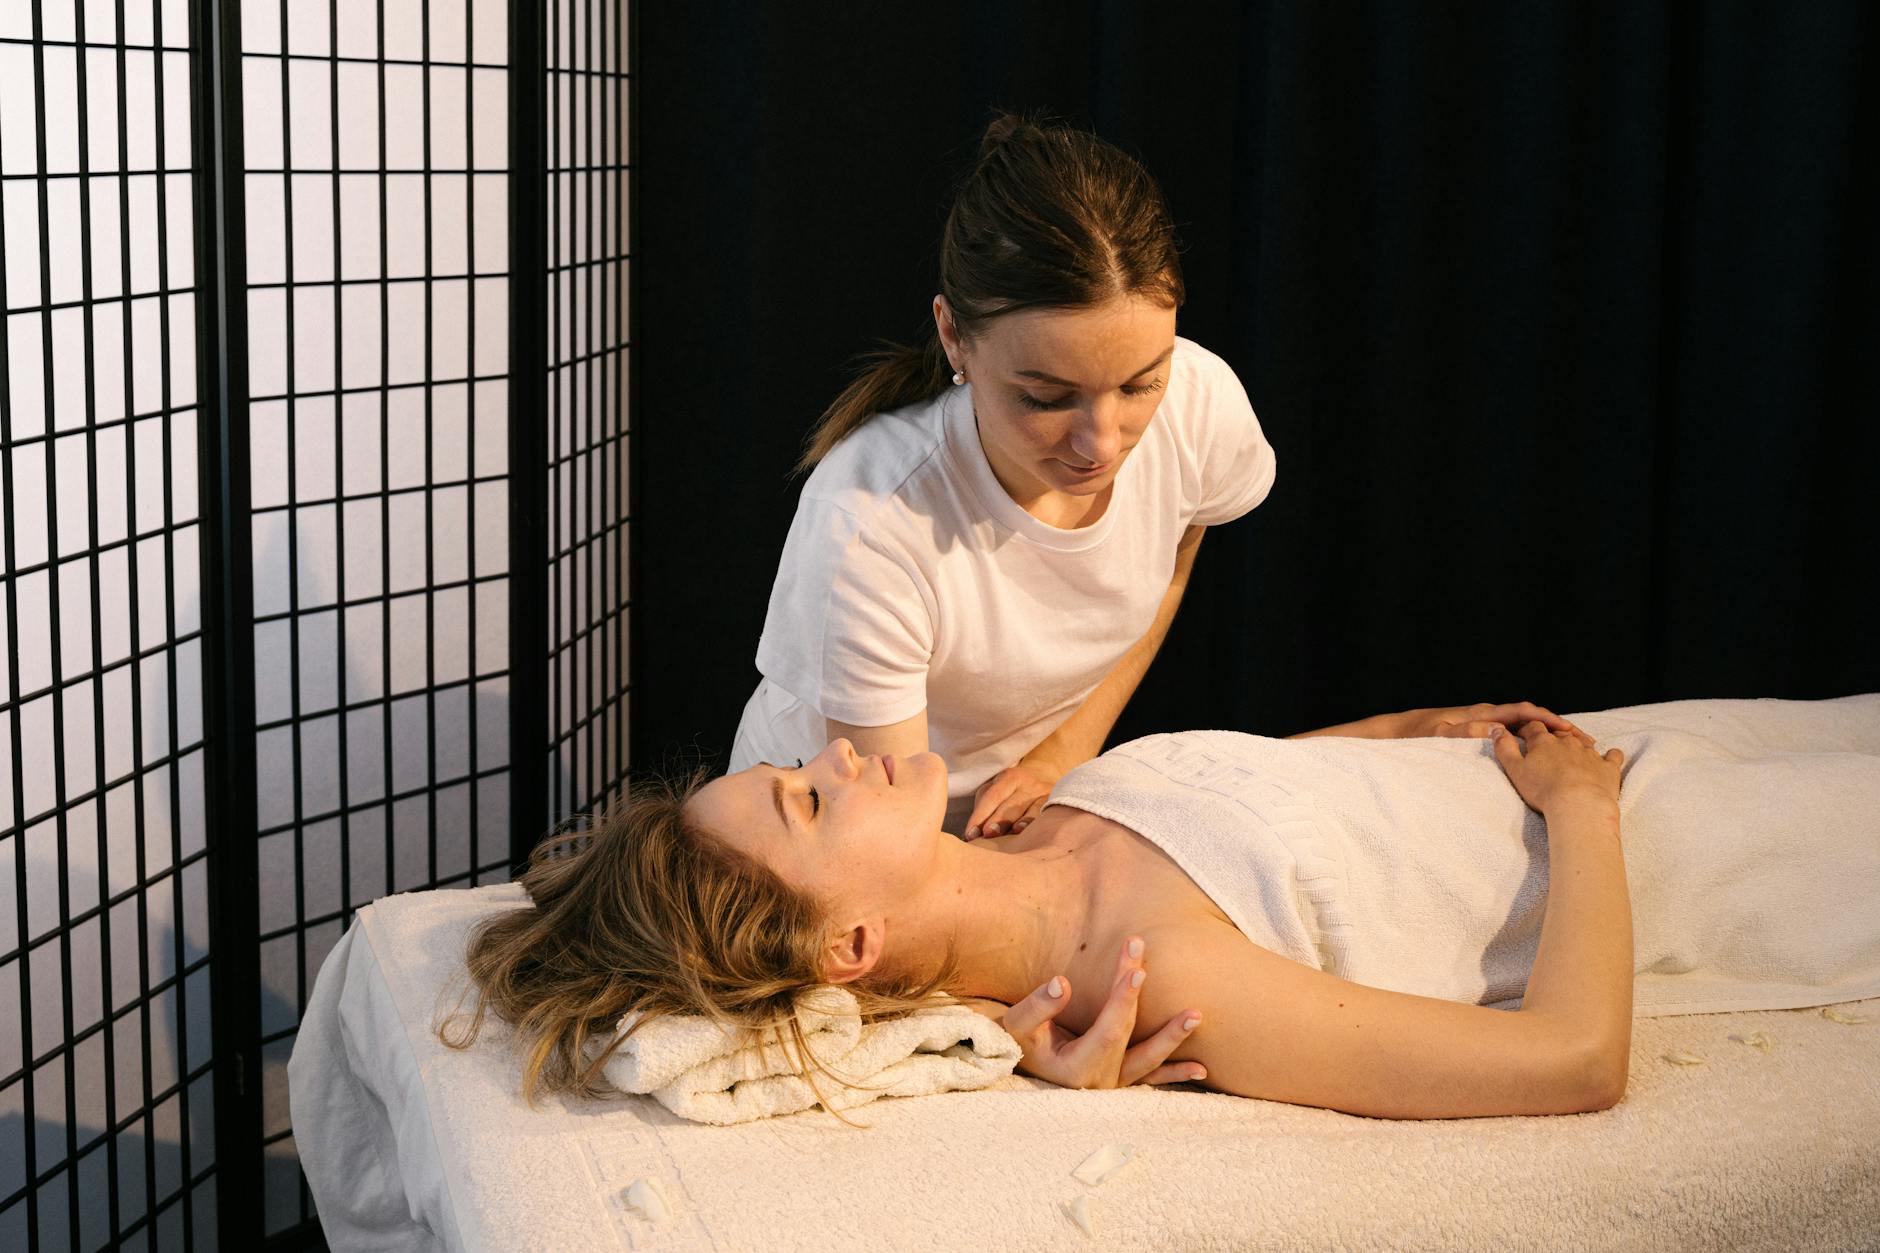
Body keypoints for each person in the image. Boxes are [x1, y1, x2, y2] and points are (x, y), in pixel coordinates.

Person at [729, 111, 1576, 842]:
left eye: (1140, 382)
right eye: (1047, 397)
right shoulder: (872, 525)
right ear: (954, 337)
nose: (1103, 443)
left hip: (1030, 809)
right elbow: (884, 847)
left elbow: (1173, 557)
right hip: (851, 851)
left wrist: (1064, 754)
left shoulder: (1200, 405)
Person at [445, 696, 1880, 1119]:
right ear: (850, 946)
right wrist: (1579, 809)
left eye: (789, 770)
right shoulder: (1158, 971)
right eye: (808, 802)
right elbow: (1573, 1059)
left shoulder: (1034, 814)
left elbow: (1262, 798)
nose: (830, 753)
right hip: (1679, 843)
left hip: (1593, 754)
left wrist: (1407, 734)